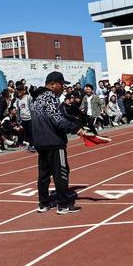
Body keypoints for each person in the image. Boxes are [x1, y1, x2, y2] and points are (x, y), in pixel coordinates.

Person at [31, 71, 85, 214]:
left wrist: (72, 121)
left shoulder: (36, 99)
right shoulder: (50, 98)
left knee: (43, 175)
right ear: (53, 84)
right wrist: (76, 128)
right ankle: (64, 204)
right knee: (61, 172)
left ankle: (43, 204)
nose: (63, 88)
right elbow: (57, 120)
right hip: (54, 141)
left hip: (40, 142)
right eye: (62, 84)